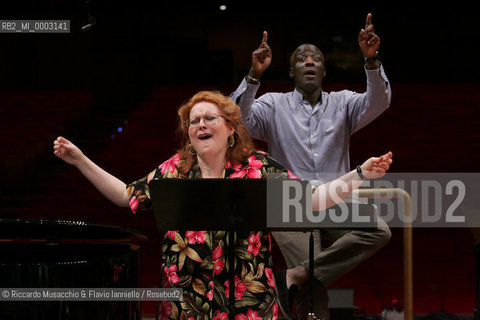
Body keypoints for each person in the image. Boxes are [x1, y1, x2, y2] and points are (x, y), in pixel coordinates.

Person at [53, 91, 392, 320]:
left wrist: (358, 174)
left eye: (209, 118)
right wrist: (81, 160)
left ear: (230, 128)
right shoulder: (175, 170)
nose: (200, 125)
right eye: (193, 121)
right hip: (186, 301)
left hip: (249, 301)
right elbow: (126, 195)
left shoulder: (258, 167)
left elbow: (313, 201)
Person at [230, 13, 392, 320]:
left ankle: (297, 275)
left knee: (378, 230)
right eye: (301, 59)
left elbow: (379, 102)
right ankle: (305, 277)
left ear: (323, 70)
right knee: (314, 289)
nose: (308, 62)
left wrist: (371, 61)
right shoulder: (273, 104)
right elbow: (237, 120)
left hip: (336, 199)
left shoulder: (344, 103)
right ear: (291, 71)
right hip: (290, 202)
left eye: (315, 58)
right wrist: (254, 75)